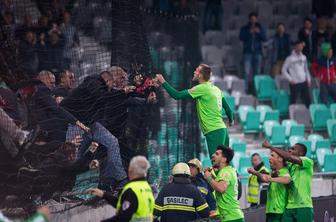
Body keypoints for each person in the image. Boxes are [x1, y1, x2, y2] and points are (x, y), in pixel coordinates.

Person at [155, 64, 233, 155]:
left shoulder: (201, 88)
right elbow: (228, 110)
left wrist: (163, 82)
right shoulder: (216, 89)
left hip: (214, 131)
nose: (194, 72)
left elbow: (177, 95)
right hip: (223, 130)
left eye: (196, 70)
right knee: (226, 164)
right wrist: (231, 120)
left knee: (217, 164)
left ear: (200, 75)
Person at [86, 156, 154, 222]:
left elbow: (122, 218)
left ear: (131, 170)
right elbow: (124, 204)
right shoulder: (146, 187)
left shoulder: (132, 190)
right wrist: (103, 194)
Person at [262, 141, 314, 222]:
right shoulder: (289, 166)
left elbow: (289, 157)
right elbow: (280, 167)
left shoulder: (308, 161)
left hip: (303, 206)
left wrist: (271, 147)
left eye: (293, 149)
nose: (290, 150)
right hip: (289, 206)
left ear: (301, 153)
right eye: (290, 148)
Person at [31, 70, 89, 142]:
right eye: (51, 83)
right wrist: (79, 123)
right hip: (50, 130)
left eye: (54, 83)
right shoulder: (42, 89)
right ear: (43, 80)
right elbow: (57, 109)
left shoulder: (47, 92)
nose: (53, 86)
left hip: (51, 130)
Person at [247, 150, 291, 222]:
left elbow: (287, 179)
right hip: (271, 211)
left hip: (278, 212)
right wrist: (255, 173)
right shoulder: (274, 173)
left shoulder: (284, 171)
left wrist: (271, 179)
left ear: (280, 159)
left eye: (272, 156)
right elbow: (265, 178)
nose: (269, 158)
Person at [204, 145, 245, 222]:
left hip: (232, 218)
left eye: (217, 154)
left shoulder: (225, 172)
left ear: (224, 159)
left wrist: (209, 178)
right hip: (232, 217)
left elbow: (221, 188)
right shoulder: (228, 170)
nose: (213, 155)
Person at [239, 12, 267, 94]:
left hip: (258, 53)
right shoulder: (245, 28)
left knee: (257, 73)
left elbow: (265, 38)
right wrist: (249, 32)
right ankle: (245, 90)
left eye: (254, 19)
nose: (253, 21)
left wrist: (259, 33)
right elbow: (241, 37)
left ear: (256, 19)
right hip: (248, 52)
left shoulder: (260, 28)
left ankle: (256, 90)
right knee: (246, 72)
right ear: (249, 19)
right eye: (252, 19)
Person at [282, 40, 311, 108]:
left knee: (307, 100)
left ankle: (309, 115)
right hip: (295, 83)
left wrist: (308, 79)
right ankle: (291, 115)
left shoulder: (304, 57)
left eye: (301, 46)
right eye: (298, 46)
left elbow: (306, 69)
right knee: (293, 100)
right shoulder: (290, 58)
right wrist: (290, 79)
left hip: (304, 82)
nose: (299, 48)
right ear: (295, 47)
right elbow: (283, 70)